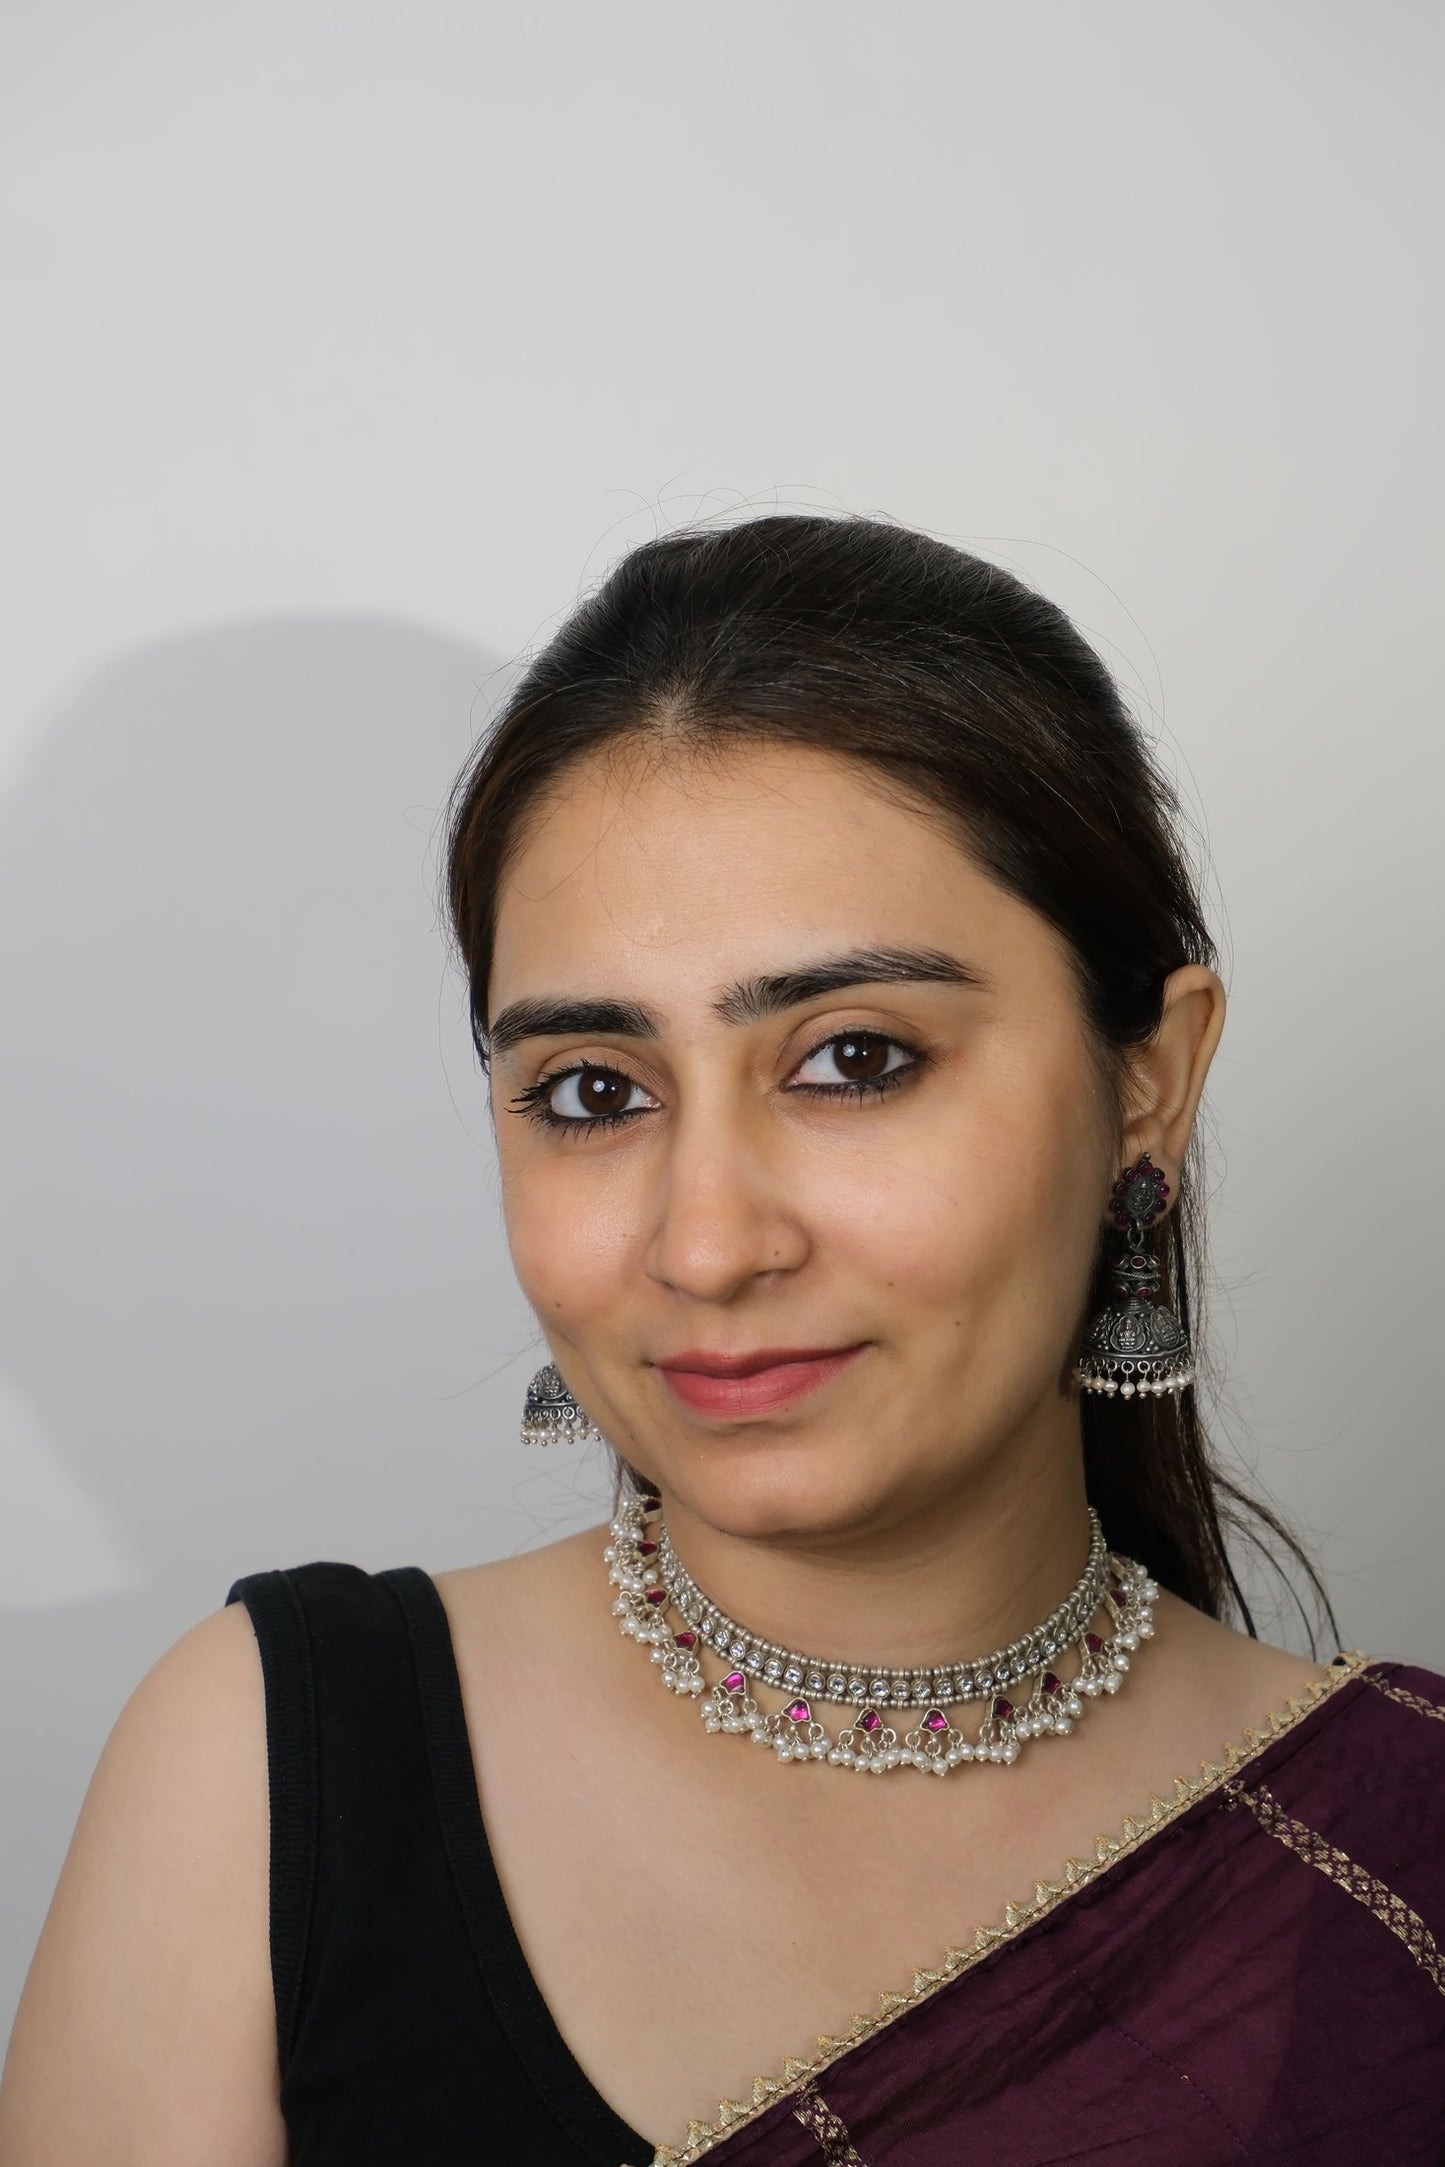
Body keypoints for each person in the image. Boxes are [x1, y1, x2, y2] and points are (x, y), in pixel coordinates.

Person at [1, 515, 1441, 2167]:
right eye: (592, 1094)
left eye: (853, 1062)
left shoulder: (1393, 1851)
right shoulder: (268, 1774)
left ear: (1148, 1084)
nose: (703, 1243)